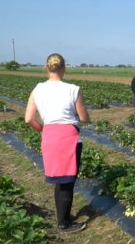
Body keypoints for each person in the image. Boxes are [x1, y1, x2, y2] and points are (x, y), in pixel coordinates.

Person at [25, 53, 91, 233]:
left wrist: (43, 129)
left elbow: (28, 119)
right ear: (64, 68)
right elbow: (84, 118)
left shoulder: (38, 89)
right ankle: (64, 224)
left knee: (59, 180)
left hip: (50, 136)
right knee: (67, 181)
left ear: (46, 68)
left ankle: (62, 218)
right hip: (69, 137)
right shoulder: (73, 89)